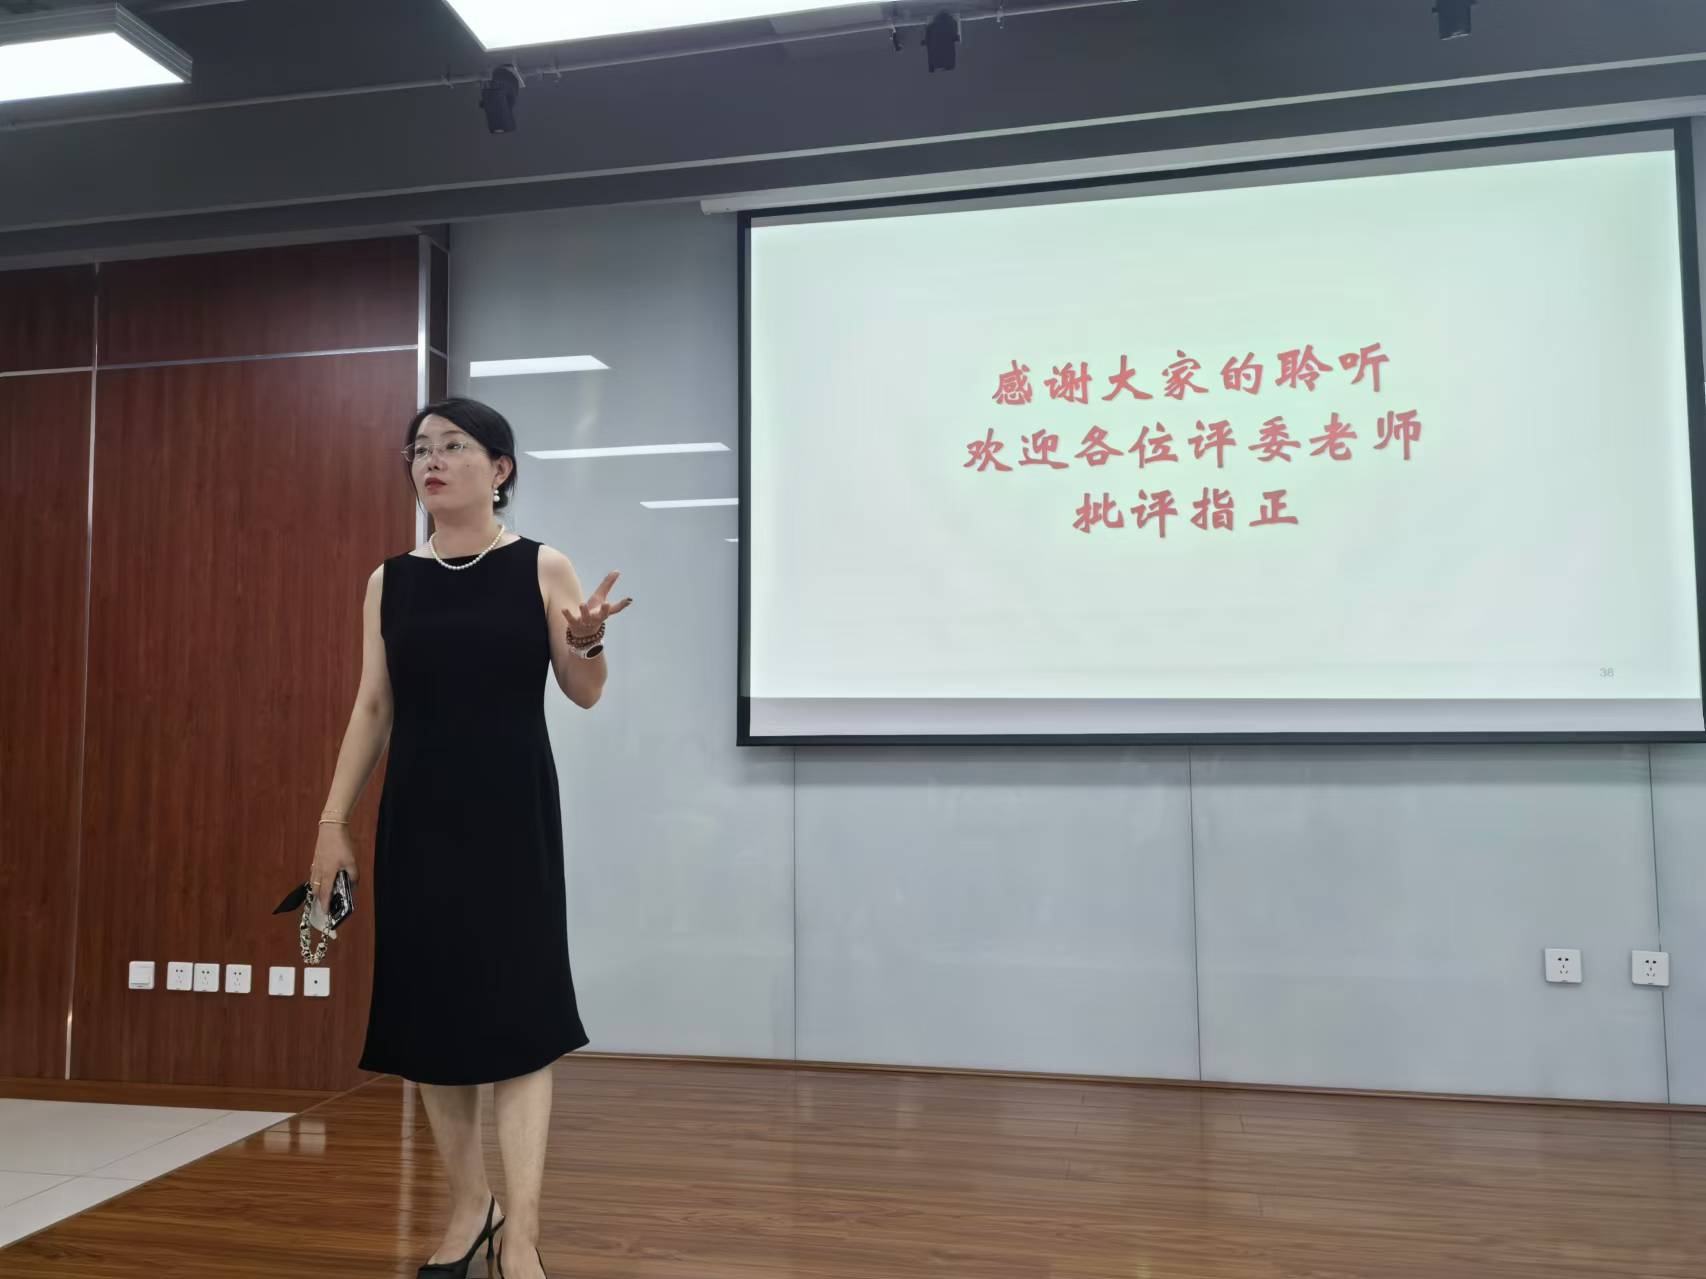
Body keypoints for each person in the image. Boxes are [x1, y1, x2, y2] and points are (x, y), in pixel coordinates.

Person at [308, 397, 631, 1279]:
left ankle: (521, 1234)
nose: (432, 460)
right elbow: (374, 706)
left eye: (453, 445)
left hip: (512, 818)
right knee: (433, 1023)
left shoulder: (540, 565)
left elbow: (585, 690)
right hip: (418, 819)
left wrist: (588, 640)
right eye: (420, 448)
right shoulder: (390, 581)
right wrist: (332, 823)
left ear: (500, 468)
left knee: (520, 1021)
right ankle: (469, 1208)